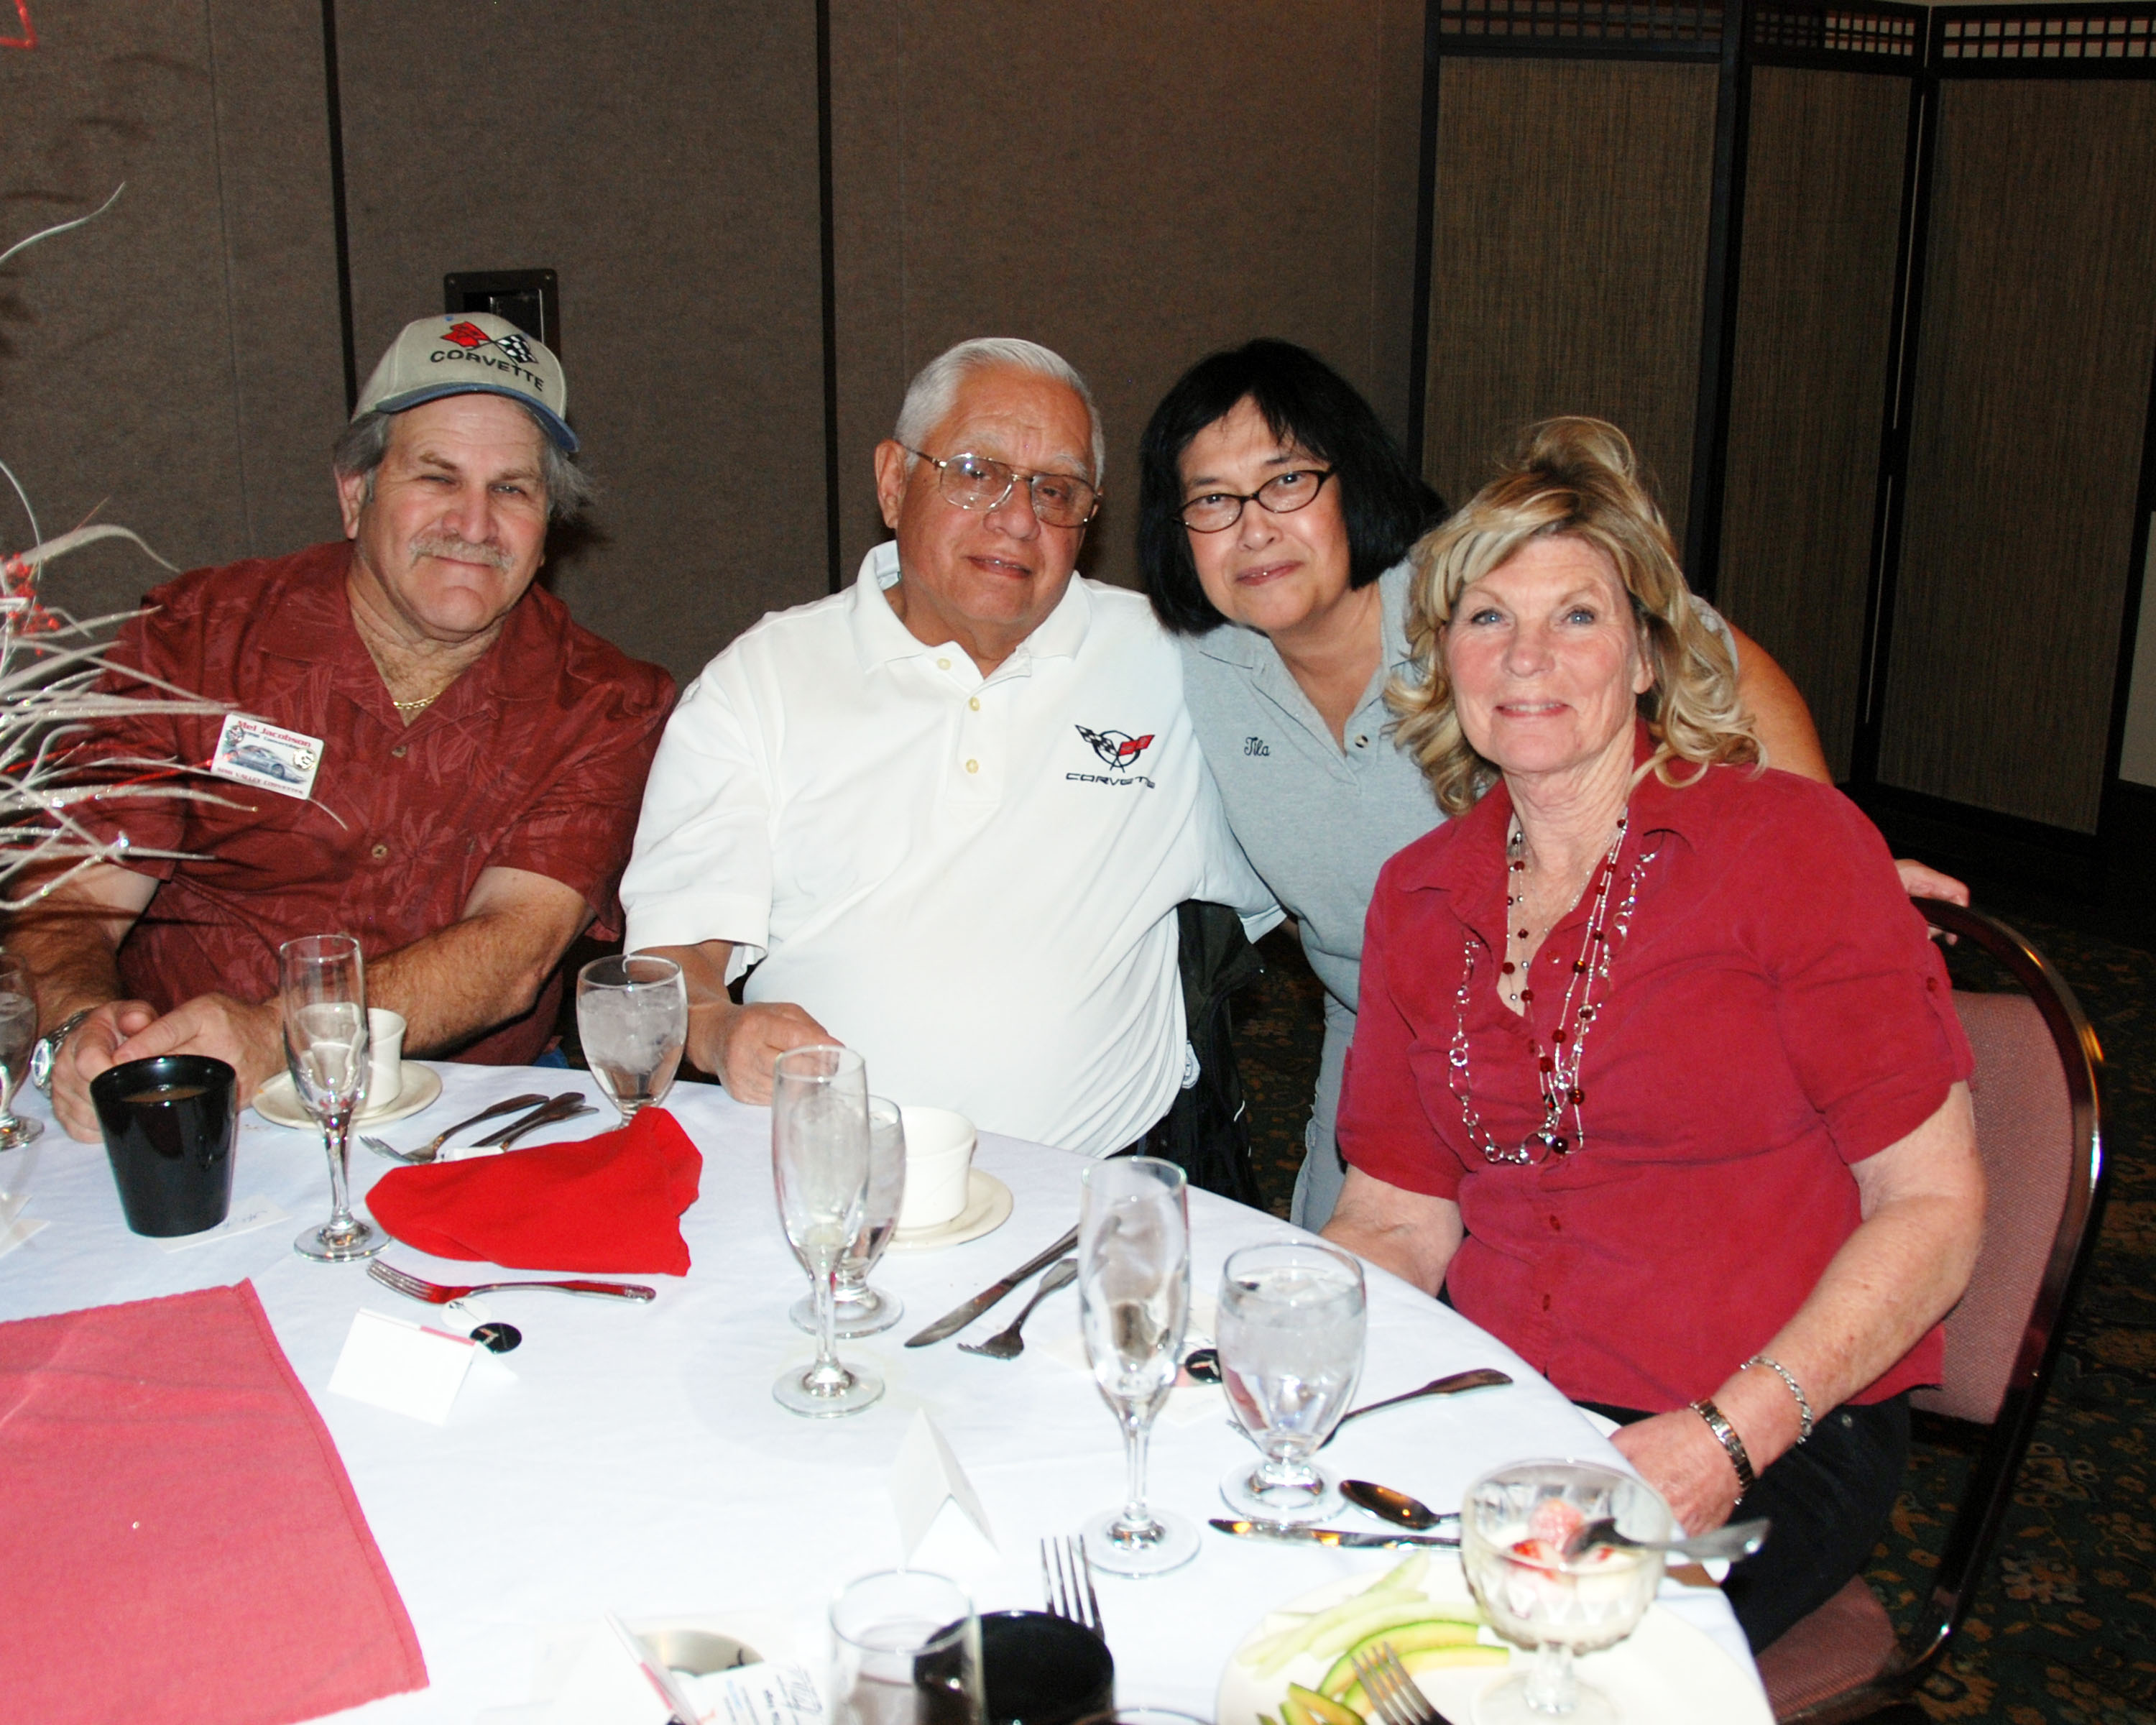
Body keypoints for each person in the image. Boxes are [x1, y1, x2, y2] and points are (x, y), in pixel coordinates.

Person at [1322, 417, 1984, 1652]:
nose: (1527, 656)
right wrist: (1302, 1349)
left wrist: (1727, 1437)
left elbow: (1936, 1209)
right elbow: (1399, 1218)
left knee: (1513, 1649)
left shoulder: (1790, 847)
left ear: (1645, 656)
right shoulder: (1419, 892)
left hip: (1772, 1423)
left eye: (1576, 615)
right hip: (1509, 1411)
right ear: (1444, 657)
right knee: (1309, 1595)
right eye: (1487, 617)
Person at [1135, 338, 1965, 1230]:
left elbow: (1718, 655)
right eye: (1212, 500)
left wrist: (1825, 864)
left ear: (1355, 483)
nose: (1255, 529)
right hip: (1381, 1023)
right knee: (1342, 1269)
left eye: (1288, 481)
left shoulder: (1472, 593)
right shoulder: (1187, 665)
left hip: (1604, 1016)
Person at [11, 313, 676, 1142]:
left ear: (548, 531)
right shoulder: (200, 641)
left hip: (466, 1125)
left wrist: (278, 1034)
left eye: (511, 490)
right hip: (188, 1111)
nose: (474, 524)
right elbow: (73, 899)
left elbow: (513, 951)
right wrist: (81, 1023)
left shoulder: (606, 705)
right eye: (437, 477)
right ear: (356, 494)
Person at [621, 337, 1276, 1155]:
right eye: (976, 472)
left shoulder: (1177, 663)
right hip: (831, 1171)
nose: (1018, 518)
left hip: (1094, 1183)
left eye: (1056, 489)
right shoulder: (764, 681)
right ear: (894, 482)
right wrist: (720, 1031)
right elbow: (671, 952)